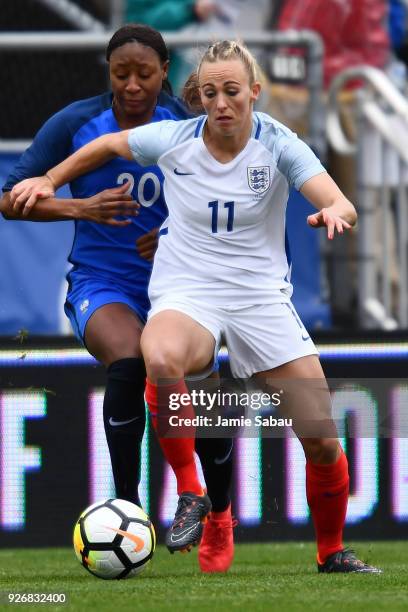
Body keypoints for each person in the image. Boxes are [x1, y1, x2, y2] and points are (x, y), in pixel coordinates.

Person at [9, 40, 382, 574]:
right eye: (210, 92)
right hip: (190, 291)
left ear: (254, 91)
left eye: (232, 91)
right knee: (158, 355)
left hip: (260, 299)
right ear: (199, 95)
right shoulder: (175, 138)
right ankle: (191, 492)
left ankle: (332, 552)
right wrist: (49, 179)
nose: (222, 103)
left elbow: (334, 196)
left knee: (321, 439)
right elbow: (109, 145)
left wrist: (337, 213)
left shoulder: (278, 144)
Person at [1, 24, 235, 574]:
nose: (132, 86)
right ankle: (128, 513)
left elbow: (225, 201)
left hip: (179, 284)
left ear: (165, 72)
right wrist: (80, 208)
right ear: (107, 73)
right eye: (120, 74)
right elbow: (11, 199)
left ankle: (219, 516)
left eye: (144, 74)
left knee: (204, 402)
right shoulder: (76, 123)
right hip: (102, 283)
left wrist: (180, 232)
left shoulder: (185, 123)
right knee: (130, 362)